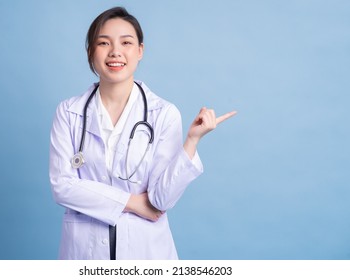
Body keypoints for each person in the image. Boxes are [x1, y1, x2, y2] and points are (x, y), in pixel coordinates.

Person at [49, 6, 236, 260]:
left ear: (140, 51)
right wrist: (132, 202)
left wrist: (192, 141)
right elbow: (62, 187)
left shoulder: (163, 114)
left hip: (146, 253)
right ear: (91, 52)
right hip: (85, 252)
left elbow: (160, 200)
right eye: (104, 43)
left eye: (126, 42)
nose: (115, 52)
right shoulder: (69, 112)